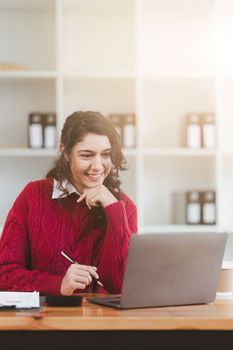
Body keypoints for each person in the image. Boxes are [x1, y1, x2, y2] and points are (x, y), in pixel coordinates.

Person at [0, 111, 137, 296]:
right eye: (86, 155)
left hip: (104, 322)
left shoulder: (123, 207)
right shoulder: (33, 196)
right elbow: (4, 275)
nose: (97, 166)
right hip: (45, 320)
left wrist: (113, 211)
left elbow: (123, 286)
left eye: (105, 154)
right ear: (65, 152)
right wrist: (59, 285)